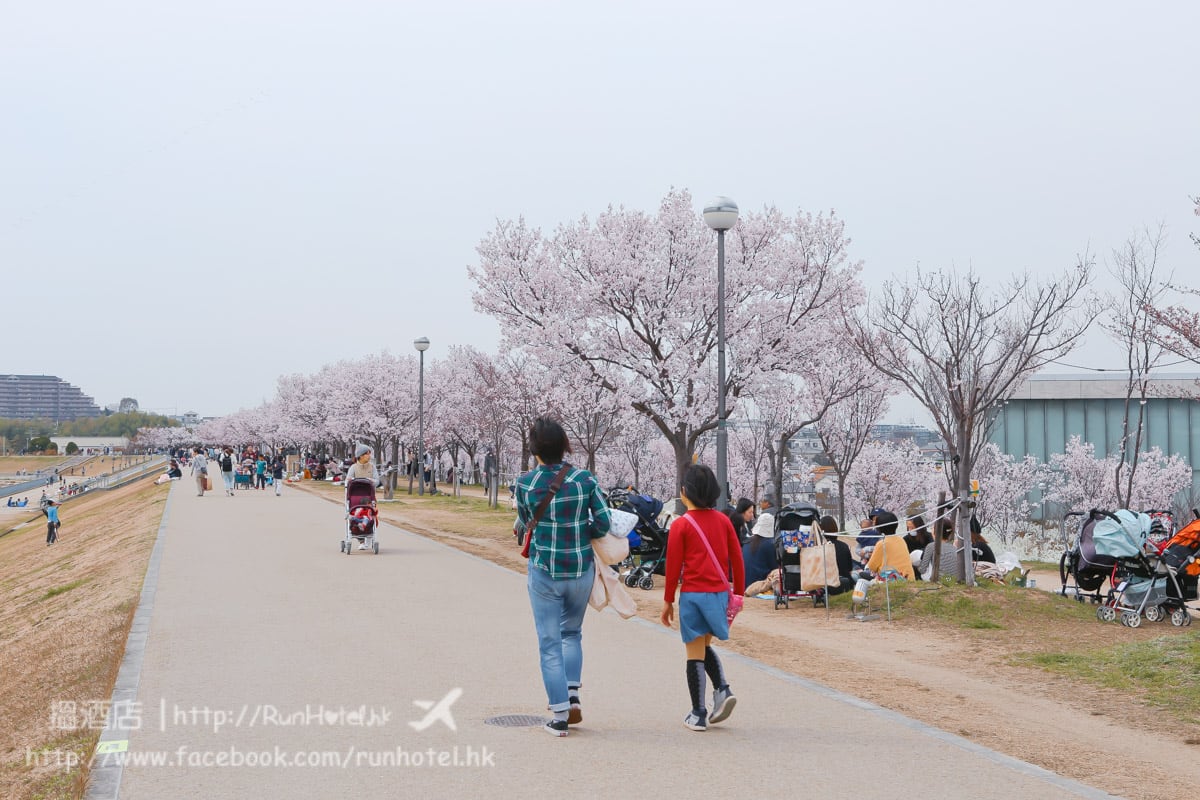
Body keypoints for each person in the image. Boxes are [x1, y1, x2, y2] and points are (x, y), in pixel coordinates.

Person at [516, 417, 610, 738]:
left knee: (549, 643)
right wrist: (585, 533)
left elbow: (525, 520)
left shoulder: (525, 484)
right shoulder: (585, 480)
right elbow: (604, 520)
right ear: (564, 444)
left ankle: (559, 717)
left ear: (534, 450)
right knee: (572, 633)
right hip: (581, 569)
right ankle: (572, 695)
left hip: (544, 572)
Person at [661, 464, 745, 732]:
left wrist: (667, 601)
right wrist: (739, 593)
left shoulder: (681, 525)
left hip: (694, 595)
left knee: (693, 652)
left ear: (684, 492)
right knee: (703, 645)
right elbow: (737, 560)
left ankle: (698, 712)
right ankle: (722, 689)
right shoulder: (724, 521)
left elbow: (672, 567)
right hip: (719, 595)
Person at [864, 511, 914, 580]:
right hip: (909, 578)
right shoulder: (901, 540)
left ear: (879, 528)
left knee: (863, 575)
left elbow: (872, 567)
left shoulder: (882, 543)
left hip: (892, 580)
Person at [919, 510, 962, 581]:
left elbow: (922, 570)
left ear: (936, 531)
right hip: (953, 580)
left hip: (940, 580)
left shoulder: (931, 546)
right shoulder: (954, 548)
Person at [818, 515, 854, 595]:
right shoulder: (844, 546)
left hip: (826, 584)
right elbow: (849, 569)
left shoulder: (819, 547)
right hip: (845, 583)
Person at [741, 513, 778, 586]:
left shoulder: (747, 542)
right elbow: (774, 568)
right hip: (760, 585)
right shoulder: (769, 544)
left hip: (745, 583)